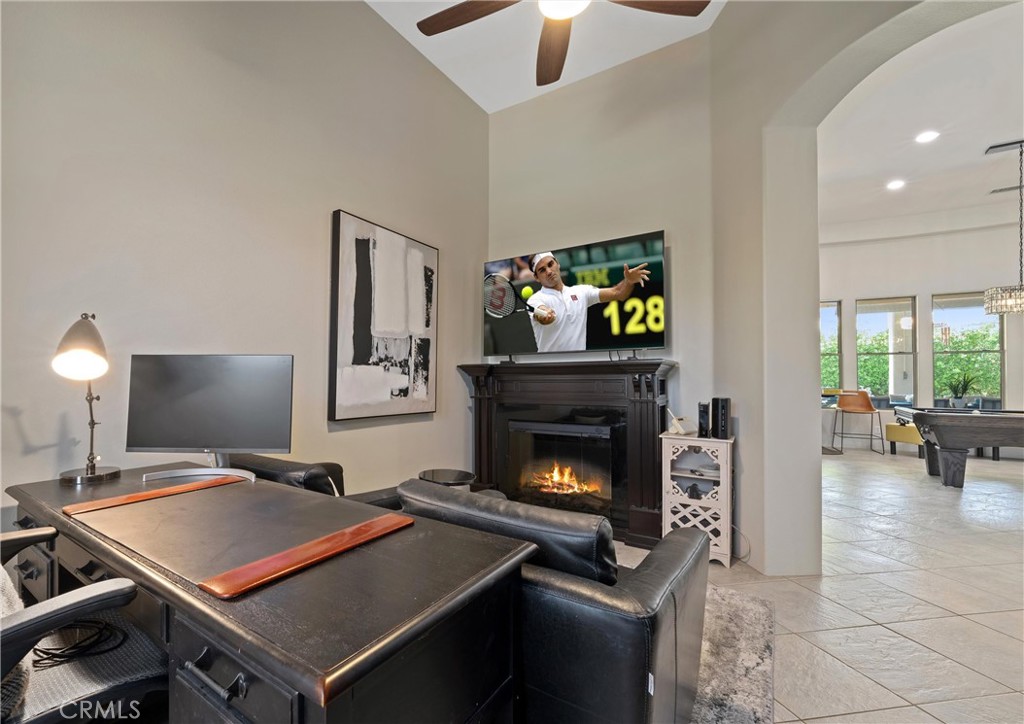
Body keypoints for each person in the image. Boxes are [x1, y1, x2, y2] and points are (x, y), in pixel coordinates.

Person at [525, 251, 651, 352]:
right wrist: (546, 314)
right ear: (536, 277)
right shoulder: (536, 299)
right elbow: (540, 312)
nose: (548, 271)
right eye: (542, 270)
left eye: (550, 264)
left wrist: (628, 281)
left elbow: (619, 293)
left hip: (580, 368)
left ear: (557, 264)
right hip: (549, 371)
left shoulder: (581, 292)